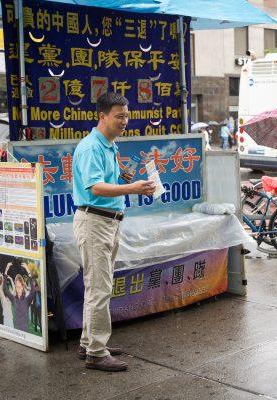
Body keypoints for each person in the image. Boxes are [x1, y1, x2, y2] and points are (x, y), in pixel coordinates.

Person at [72, 92, 155, 372]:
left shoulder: (110, 145)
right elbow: (94, 188)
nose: (125, 121)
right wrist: (132, 188)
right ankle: (96, 352)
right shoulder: (91, 148)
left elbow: (106, 180)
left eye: (127, 115)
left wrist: (123, 177)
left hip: (109, 222)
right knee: (99, 288)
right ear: (103, 116)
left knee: (96, 286)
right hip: (94, 222)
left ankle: (89, 343)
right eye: (119, 116)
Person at [3, 262, 37, 333]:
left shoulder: (27, 299)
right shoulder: (13, 299)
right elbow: (5, 289)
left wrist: (28, 271)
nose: (19, 289)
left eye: (20, 286)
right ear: (15, 287)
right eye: (17, 287)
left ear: (23, 286)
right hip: (16, 330)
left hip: (25, 330)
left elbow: (33, 291)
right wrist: (6, 270)